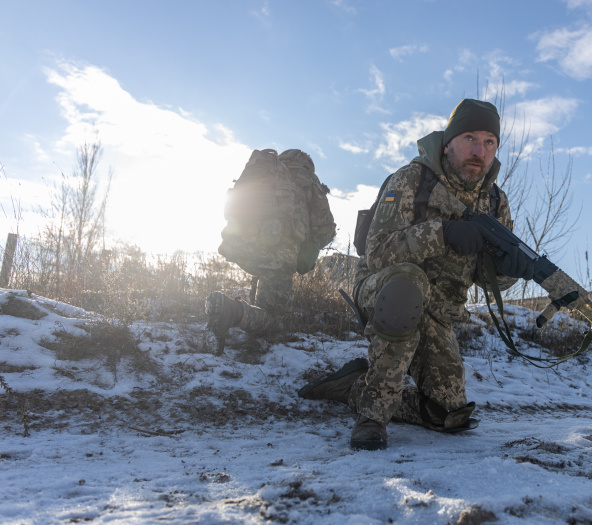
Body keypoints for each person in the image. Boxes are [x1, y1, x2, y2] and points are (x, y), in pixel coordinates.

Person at [298, 99, 536, 450]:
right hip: (383, 291)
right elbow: (377, 252)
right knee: (408, 282)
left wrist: (508, 271)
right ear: (448, 141)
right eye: (469, 137)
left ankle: (352, 387)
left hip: (436, 312)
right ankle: (373, 415)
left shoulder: (495, 201)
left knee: (450, 413)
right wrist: (443, 233)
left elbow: (489, 281)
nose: (479, 150)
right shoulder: (412, 179)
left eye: (489, 142)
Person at [206, 149, 336, 352]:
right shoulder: (309, 182)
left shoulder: (269, 172)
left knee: (263, 279)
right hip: (279, 254)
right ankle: (231, 310)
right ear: (307, 166)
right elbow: (326, 226)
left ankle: (242, 318)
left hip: (244, 246)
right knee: (275, 320)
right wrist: (312, 243)